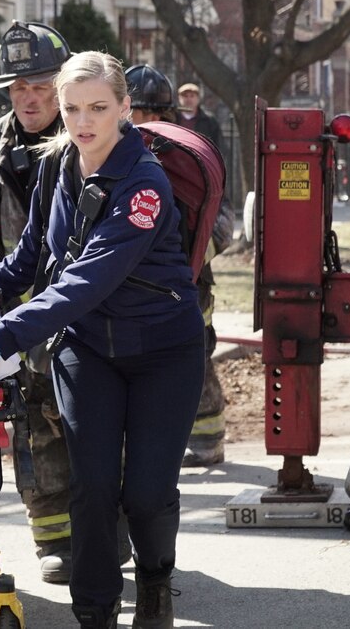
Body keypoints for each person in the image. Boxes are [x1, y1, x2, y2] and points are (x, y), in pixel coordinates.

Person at [0, 51, 206, 629]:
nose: (83, 122)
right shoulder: (57, 164)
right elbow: (33, 253)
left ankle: (154, 582)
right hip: (87, 349)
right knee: (93, 485)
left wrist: (6, 334)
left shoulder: (145, 184)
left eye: (98, 108)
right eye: (72, 108)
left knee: (146, 493)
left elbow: (88, 279)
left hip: (163, 351)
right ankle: (94, 612)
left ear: (125, 108)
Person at [0, 19, 78, 584]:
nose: (28, 99)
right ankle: (55, 541)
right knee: (32, 426)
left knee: (99, 426)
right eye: (18, 88)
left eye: (40, 87)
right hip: (20, 320)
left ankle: (112, 526)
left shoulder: (87, 133)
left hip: (87, 314)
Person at [125, 64, 233, 468]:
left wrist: (189, 257)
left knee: (194, 361)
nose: (137, 121)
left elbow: (222, 219)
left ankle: (207, 442)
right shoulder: (114, 151)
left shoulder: (187, 156)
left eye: (144, 112)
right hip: (136, 285)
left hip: (189, 284)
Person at [176, 81, 225, 157]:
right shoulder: (172, 118)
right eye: (185, 96)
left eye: (192, 96)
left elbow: (219, 146)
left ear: (198, 98)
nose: (189, 99)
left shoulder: (209, 120)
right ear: (179, 98)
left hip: (201, 159)